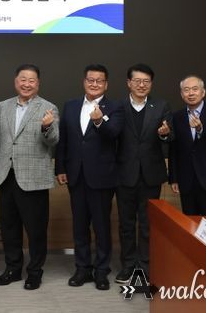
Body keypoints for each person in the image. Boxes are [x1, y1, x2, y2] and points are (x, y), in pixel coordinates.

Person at [0, 64, 59, 291]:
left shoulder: (48, 108)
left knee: (36, 230)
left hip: (33, 178)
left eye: (31, 80)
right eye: (23, 79)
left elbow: (53, 140)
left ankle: (35, 272)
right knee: (9, 227)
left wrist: (47, 127)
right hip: (7, 175)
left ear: (38, 84)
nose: (26, 84)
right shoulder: (3, 106)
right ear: (15, 81)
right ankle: (13, 269)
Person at [57, 64, 123, 291]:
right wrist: (60, 168)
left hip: (102, 177)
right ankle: (82, 269)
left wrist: (99, 121)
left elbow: (114, 134)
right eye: (90, 80)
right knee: (79, 225)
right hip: (76, 175)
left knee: (102, 226)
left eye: (99, 81)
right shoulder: (71, 105)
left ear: (106, 84)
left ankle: (101, 271)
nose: (94, 84)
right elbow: (64, 139)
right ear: (84, 81)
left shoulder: (115, 107)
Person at [114, 64, 172, 284]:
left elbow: (170, 136)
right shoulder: (118, 106)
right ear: (129, 83)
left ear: (151, 84)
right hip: (124, 173)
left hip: (151, 174)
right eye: (137, 81)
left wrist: (165, 134)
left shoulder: (161, 106)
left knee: (148, 224)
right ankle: (128, 265)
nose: (141, 85)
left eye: (146, 81)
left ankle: (146, 266)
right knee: (126, 224)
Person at [168, 75, 206, 216]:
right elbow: (174, 149)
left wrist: (201, 129)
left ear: (203, 92)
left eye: (195, 89)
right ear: (181, 94)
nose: (191, 93)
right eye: (186, 90)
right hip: (186, 180)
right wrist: (174, 178)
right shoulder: (177, 117)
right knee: (189, 222)